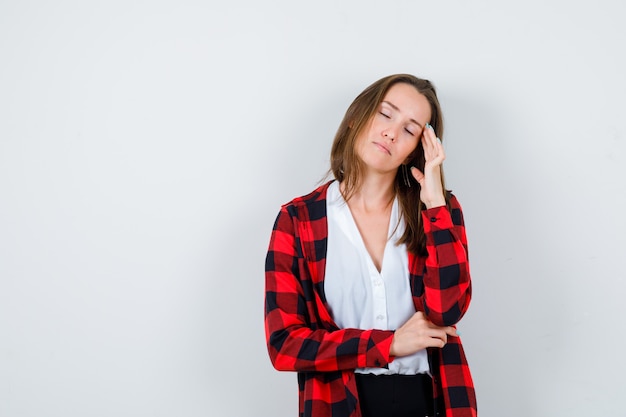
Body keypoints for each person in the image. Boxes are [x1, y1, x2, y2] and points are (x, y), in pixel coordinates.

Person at [264, 74, 477, 417]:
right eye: (385, 114)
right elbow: (285, 345)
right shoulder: (299, 220)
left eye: (410, 130)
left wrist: (435, 203)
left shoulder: (438, 212)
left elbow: (446, 312)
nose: (392, 132)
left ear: (416, 151)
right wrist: (389, 344)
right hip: (337, 404)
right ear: (356, 118)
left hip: (428, 402)